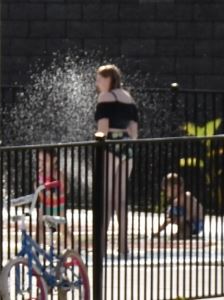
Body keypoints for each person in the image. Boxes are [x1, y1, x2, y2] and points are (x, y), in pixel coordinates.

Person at [94, 64, 140, 255]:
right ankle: (123, 245)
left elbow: (102, 129)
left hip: (111, 145)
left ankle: (102, 245)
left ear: (108, 79)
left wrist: (99, 139)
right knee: (120, 198)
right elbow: (135, 132)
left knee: (106, 196)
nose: (97, 83)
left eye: (99, 79)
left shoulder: (105, 97)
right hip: (127, 146)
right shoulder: (129, 98)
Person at [155, 173, 205, 240]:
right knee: (171, 211)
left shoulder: (186, 197)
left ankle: (184, 233)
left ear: (176, 188)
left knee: (177, 214)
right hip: (185, 222)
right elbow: (168, 219)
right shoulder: (175, 201)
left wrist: (176, 219)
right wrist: (158, 230)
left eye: (167, 189)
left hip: (196, 223)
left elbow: (189, 215)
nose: (165, 192)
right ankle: (181, 232)